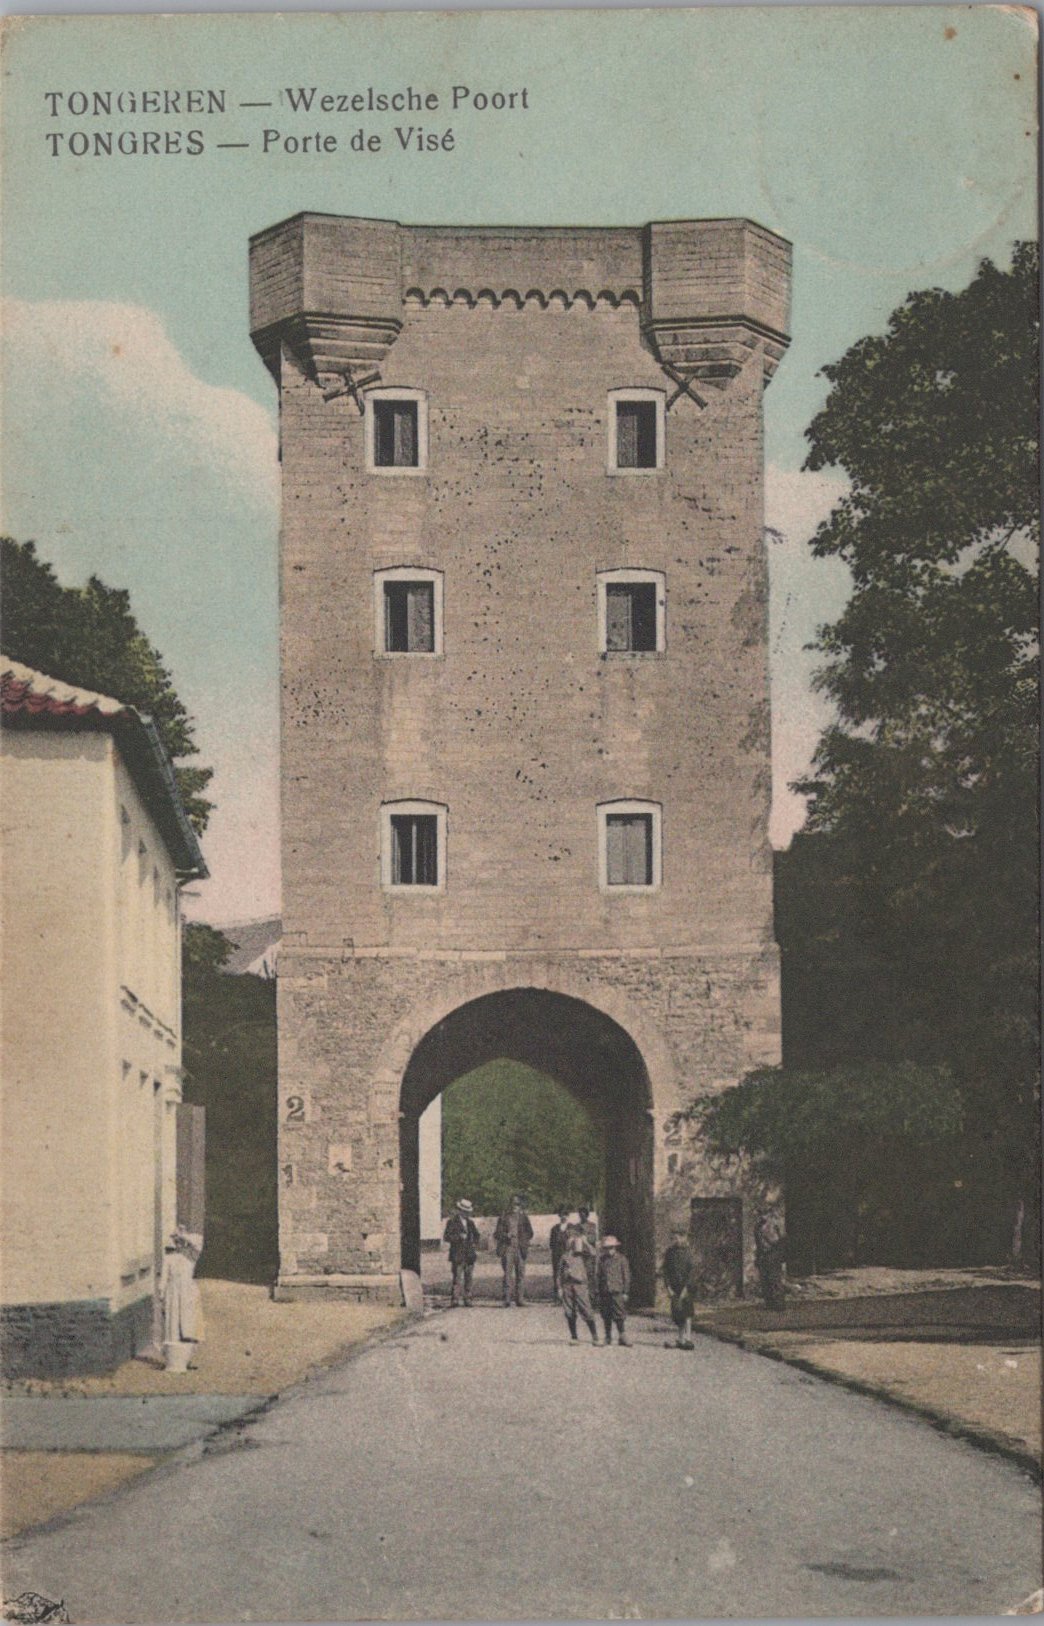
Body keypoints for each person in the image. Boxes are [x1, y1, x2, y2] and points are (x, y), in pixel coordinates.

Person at [160, 1228, 204, 1348]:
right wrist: (161, 1295)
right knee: (173, 1323)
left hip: (187, 1291)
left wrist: (183, 1235)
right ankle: (175, 1356)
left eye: (180, 1241)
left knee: (188, 1323)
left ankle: (188, 1356)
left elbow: (198, 1243)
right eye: (176, 1242)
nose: (178, 1244)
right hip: (172, 1291)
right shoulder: (169, 1258)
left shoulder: (191, 1256)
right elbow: (164, 1277)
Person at [558, 1234, 600, 1344]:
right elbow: (559, 1274)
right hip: (567, 1285)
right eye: (571, 1243)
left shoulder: (582, 1255)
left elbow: (594, 1253)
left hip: (580, 1285)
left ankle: (595, 1337)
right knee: (569, 1311)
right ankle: (574, 1337)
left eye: (573, 1243)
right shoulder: (564, 1257)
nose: (572, 1245)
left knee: (586, 1310)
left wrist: (585, 1242)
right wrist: (559, 1288)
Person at [494, 1193, 533, 1307]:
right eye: (513, 1204)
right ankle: (506, 1299)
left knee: (520, 1274)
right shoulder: (503, 1217)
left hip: (520, 1249)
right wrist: (506, 1235)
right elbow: (497, 1234)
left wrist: (523, 1240)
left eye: (517, 1204)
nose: (515, 1206)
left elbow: (530, 1232)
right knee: (507, 1274)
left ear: (520, 1206)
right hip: (508, 1249)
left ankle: (520, 1299)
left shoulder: (524, 1218)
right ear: (510, 1204)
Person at [662, 1227, 696, 1349]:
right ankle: (680, 1338)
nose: (675, 1240)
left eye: (677, 1238)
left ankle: (688, 1338)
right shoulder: (669, 1253)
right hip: (675, 1287)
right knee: (678, 1314)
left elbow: (691, 1272)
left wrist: (686, 1288)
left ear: (683, 1238)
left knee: (687, 1314)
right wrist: (668, 1288)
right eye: (673, 1238)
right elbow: (665, 1270)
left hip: (686, 1287)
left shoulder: (688, 1253)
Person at [443, 1198, 479, 1307]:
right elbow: (447, 1237)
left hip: (469, 1255)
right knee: (457, 1278)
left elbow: (477, 1235)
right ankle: (455, 1299)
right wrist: (458, 1237)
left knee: (469, 1278)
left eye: (467, 1212)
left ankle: (468, 1299)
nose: (466, 1213)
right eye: (464, 1211)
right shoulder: (452, 1222)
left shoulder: (470, 1223)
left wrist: (474, 1242)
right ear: (460, 1210)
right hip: (457, 1254)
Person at [597, 1235, 631, 1346]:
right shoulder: (602, 1259)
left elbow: (626, 1276)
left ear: (615, 1247)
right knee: (606, 1314)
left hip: (617, 1290)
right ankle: (608, 1337)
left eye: (611, 1247)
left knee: (619, 1314)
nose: (609, 1250)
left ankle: (622, 1336)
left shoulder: (621, 1259)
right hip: (605, 1290)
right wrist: (598, 1290)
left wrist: (625, 1291)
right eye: (607, 1248)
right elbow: (599, 1275)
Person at [754, 1207, 787, 1311]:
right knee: (765, 1281)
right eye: (760, 1214)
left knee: (775, 1280)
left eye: (764, 1214)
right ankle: (769, 1304)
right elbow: (758, 1244)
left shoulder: (772, 1225)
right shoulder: (758, 1227)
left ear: (768, 1214)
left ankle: (779, 1305)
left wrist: (778, 1254)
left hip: (772, 1254)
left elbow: (777, 1242)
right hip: (763, 1255)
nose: (761, 1216)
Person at [549, 1207, 570, 1304]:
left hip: (568, 1254)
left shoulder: (571, 1227)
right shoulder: (554, 1229)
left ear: (568, 1216)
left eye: (565, 1214)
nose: (564, 1216)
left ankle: (568, 1297)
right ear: (559, 1216)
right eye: (562, 1214)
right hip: (557, 1254)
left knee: (567, 1274)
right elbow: (551, 1243)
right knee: (557, 1275)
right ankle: (557, 1297)